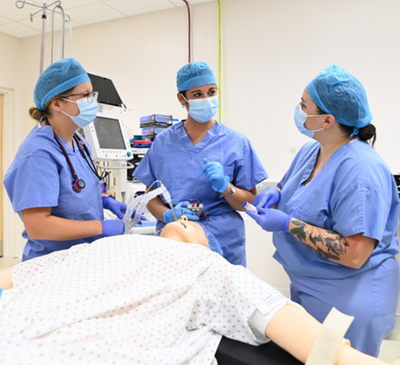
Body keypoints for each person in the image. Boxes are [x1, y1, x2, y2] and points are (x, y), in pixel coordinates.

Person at [0, 230, 399, 365]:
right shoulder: (94, 247)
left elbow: (274, 312)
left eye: (194, 223)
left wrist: (348, 358)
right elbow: (10, 278)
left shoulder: (205, 266)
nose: (185, 218)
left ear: (209, 246)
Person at [246, 65, 400, 357]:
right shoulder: (312, 149)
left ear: (327, 120)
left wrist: (289, 224)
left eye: (304, 106)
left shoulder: (361, 170)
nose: (298, 110)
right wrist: (275, 193)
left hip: (351, 295)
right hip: (309, 283)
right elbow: (300, 190)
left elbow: (355, 253)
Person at [133, 61, 268, 266]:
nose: (206, 99)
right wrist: (168, 215)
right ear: (182, 98)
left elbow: (249, 202)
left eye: (211, 92)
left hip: (224, 241)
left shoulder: (236, 142)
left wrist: (227, 188)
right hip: (177, 240)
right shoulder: (163, 143)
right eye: (197, 94)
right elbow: (150, 197)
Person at [3, 58, 128, 261]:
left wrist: (104, 202)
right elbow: (37, 226)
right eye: (85, 95)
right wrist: (100, 227)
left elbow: (72, 194)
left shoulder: (80, 144)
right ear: (57, 103)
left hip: (82, 257)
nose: (92, 102)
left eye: (92, 94)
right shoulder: (38, 154)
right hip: (52, 263)